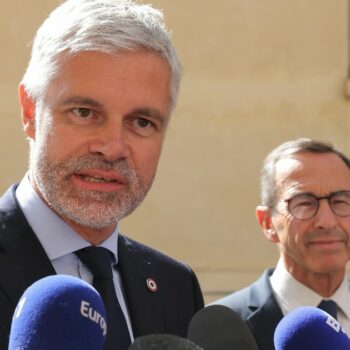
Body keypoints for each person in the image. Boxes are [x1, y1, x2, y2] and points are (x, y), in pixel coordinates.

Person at [0, 1, 204, 349]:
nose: (112, 147)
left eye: (141, 122)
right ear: (30, 111)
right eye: (84, 112)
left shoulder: (176, 286)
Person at [214, 138, 350, 350]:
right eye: (304, 203)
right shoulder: (223, 329)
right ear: (267, 222)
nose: (327, 221)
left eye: (341, 201)